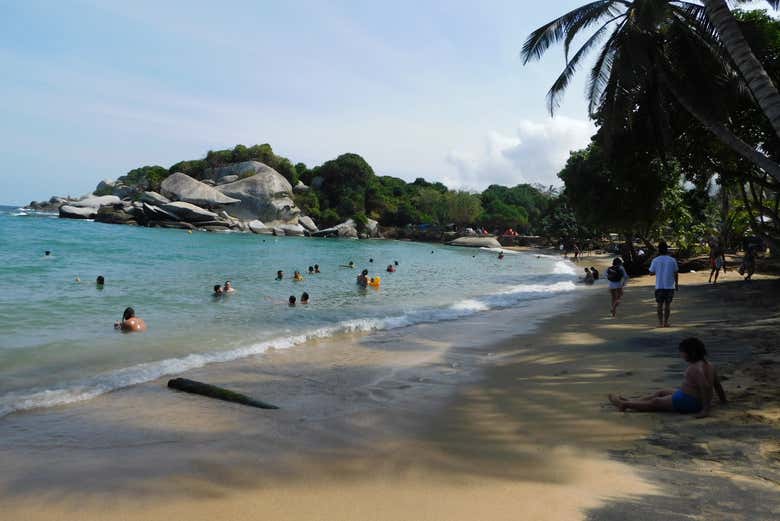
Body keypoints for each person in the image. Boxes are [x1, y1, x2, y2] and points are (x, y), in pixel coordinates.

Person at [608, 338, 726, 417]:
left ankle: (626, 404)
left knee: (656, 402)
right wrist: (723, 400)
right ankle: (633, 401)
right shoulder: (709, 365)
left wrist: (705, 409)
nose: (681, 355)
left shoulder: (695, 368)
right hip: (687, 396)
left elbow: (705, 386)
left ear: (691, 353)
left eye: (682, 352)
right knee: (661, 392)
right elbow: (717, 385)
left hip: (690, 402)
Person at [649, 241, 679, 327]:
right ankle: (666, 322)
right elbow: (676, 273)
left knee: (659, 304)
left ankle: (660, 323)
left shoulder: (655, 260)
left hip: (659, 285)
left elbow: (651, 273)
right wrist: (676, 284)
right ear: (667, 249)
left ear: (658, 250)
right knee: (667, 305)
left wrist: (658, 270)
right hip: (670, 285)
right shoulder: (672, 260)